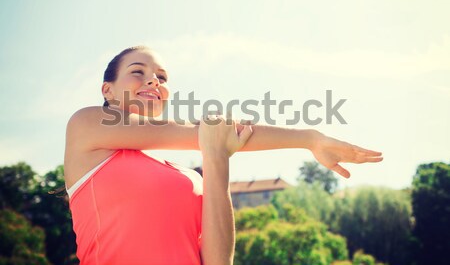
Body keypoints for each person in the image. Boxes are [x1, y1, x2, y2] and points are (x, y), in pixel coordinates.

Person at [64, 45, 383, 265]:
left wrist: (217, 159)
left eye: (162, 77)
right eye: (138, 71)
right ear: (107, 90)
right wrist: (307, 138)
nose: (153, 80)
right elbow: (209, 133)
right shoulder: (87, 126)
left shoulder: (187, 177)